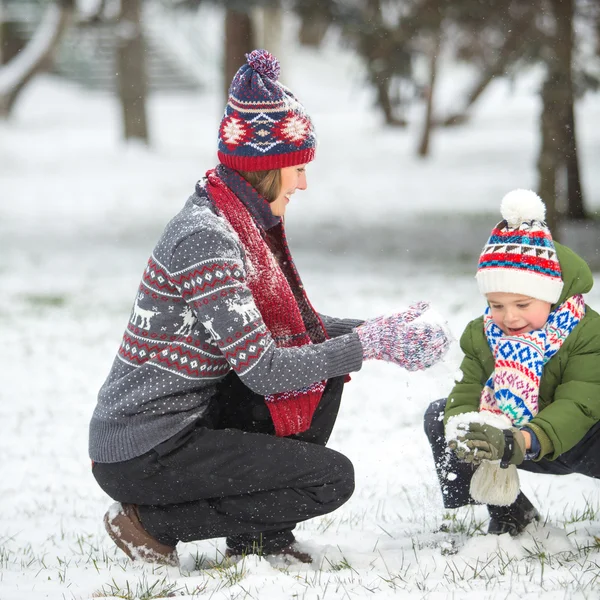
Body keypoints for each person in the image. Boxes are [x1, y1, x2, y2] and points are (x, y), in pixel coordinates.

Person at [89, 49, 451, 567]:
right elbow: (266, 371)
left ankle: (260, 538)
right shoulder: (206, 238)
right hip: (144, 448)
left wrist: (378, 331)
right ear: (267, 166)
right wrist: (365, 345)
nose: (303, 183)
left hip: (189, 419)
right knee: (330, 479)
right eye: (297, 169)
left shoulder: (233, 218)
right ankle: (148, 524)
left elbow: (287, 336)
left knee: (322, 370)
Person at [424, 189, 600, 536]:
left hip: (585, 438)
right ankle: (510, 510)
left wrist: (523, 440)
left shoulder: (586, 332)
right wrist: (463, 430)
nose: (509, 317)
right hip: (516, 441)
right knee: (442, 416)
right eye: (497, 305)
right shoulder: (483, 334)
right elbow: (469, 388)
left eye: (522, 304)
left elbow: (579, 404)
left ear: (550, 294)